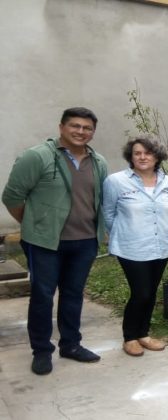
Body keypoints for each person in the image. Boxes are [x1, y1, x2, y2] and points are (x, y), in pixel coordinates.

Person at [2, 107, 108, 375]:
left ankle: (71, 344)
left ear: (93, 132)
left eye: (87, 128)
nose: (81, 132)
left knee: (73, 295)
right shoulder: (37, 156)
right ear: (61, 127)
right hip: (45, 244)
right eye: (75, 126)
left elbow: (100, 201)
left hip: (84, 241)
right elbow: (12, 197)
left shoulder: (99, 162)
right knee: (42, 296)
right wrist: (35, 224)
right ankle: (41, 350)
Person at [102, 136, 168, 357]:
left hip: (160, 244)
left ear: (157, 156)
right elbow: (108, 213)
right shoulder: (116, 181)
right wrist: (123, 233)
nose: (143, 157)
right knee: (141, 292)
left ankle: (143, 333)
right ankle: (130, 337)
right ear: (130, 156)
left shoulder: (167, 182)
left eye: (148, 153)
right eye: (137, 153)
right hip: (131, 247)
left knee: (151, 292)